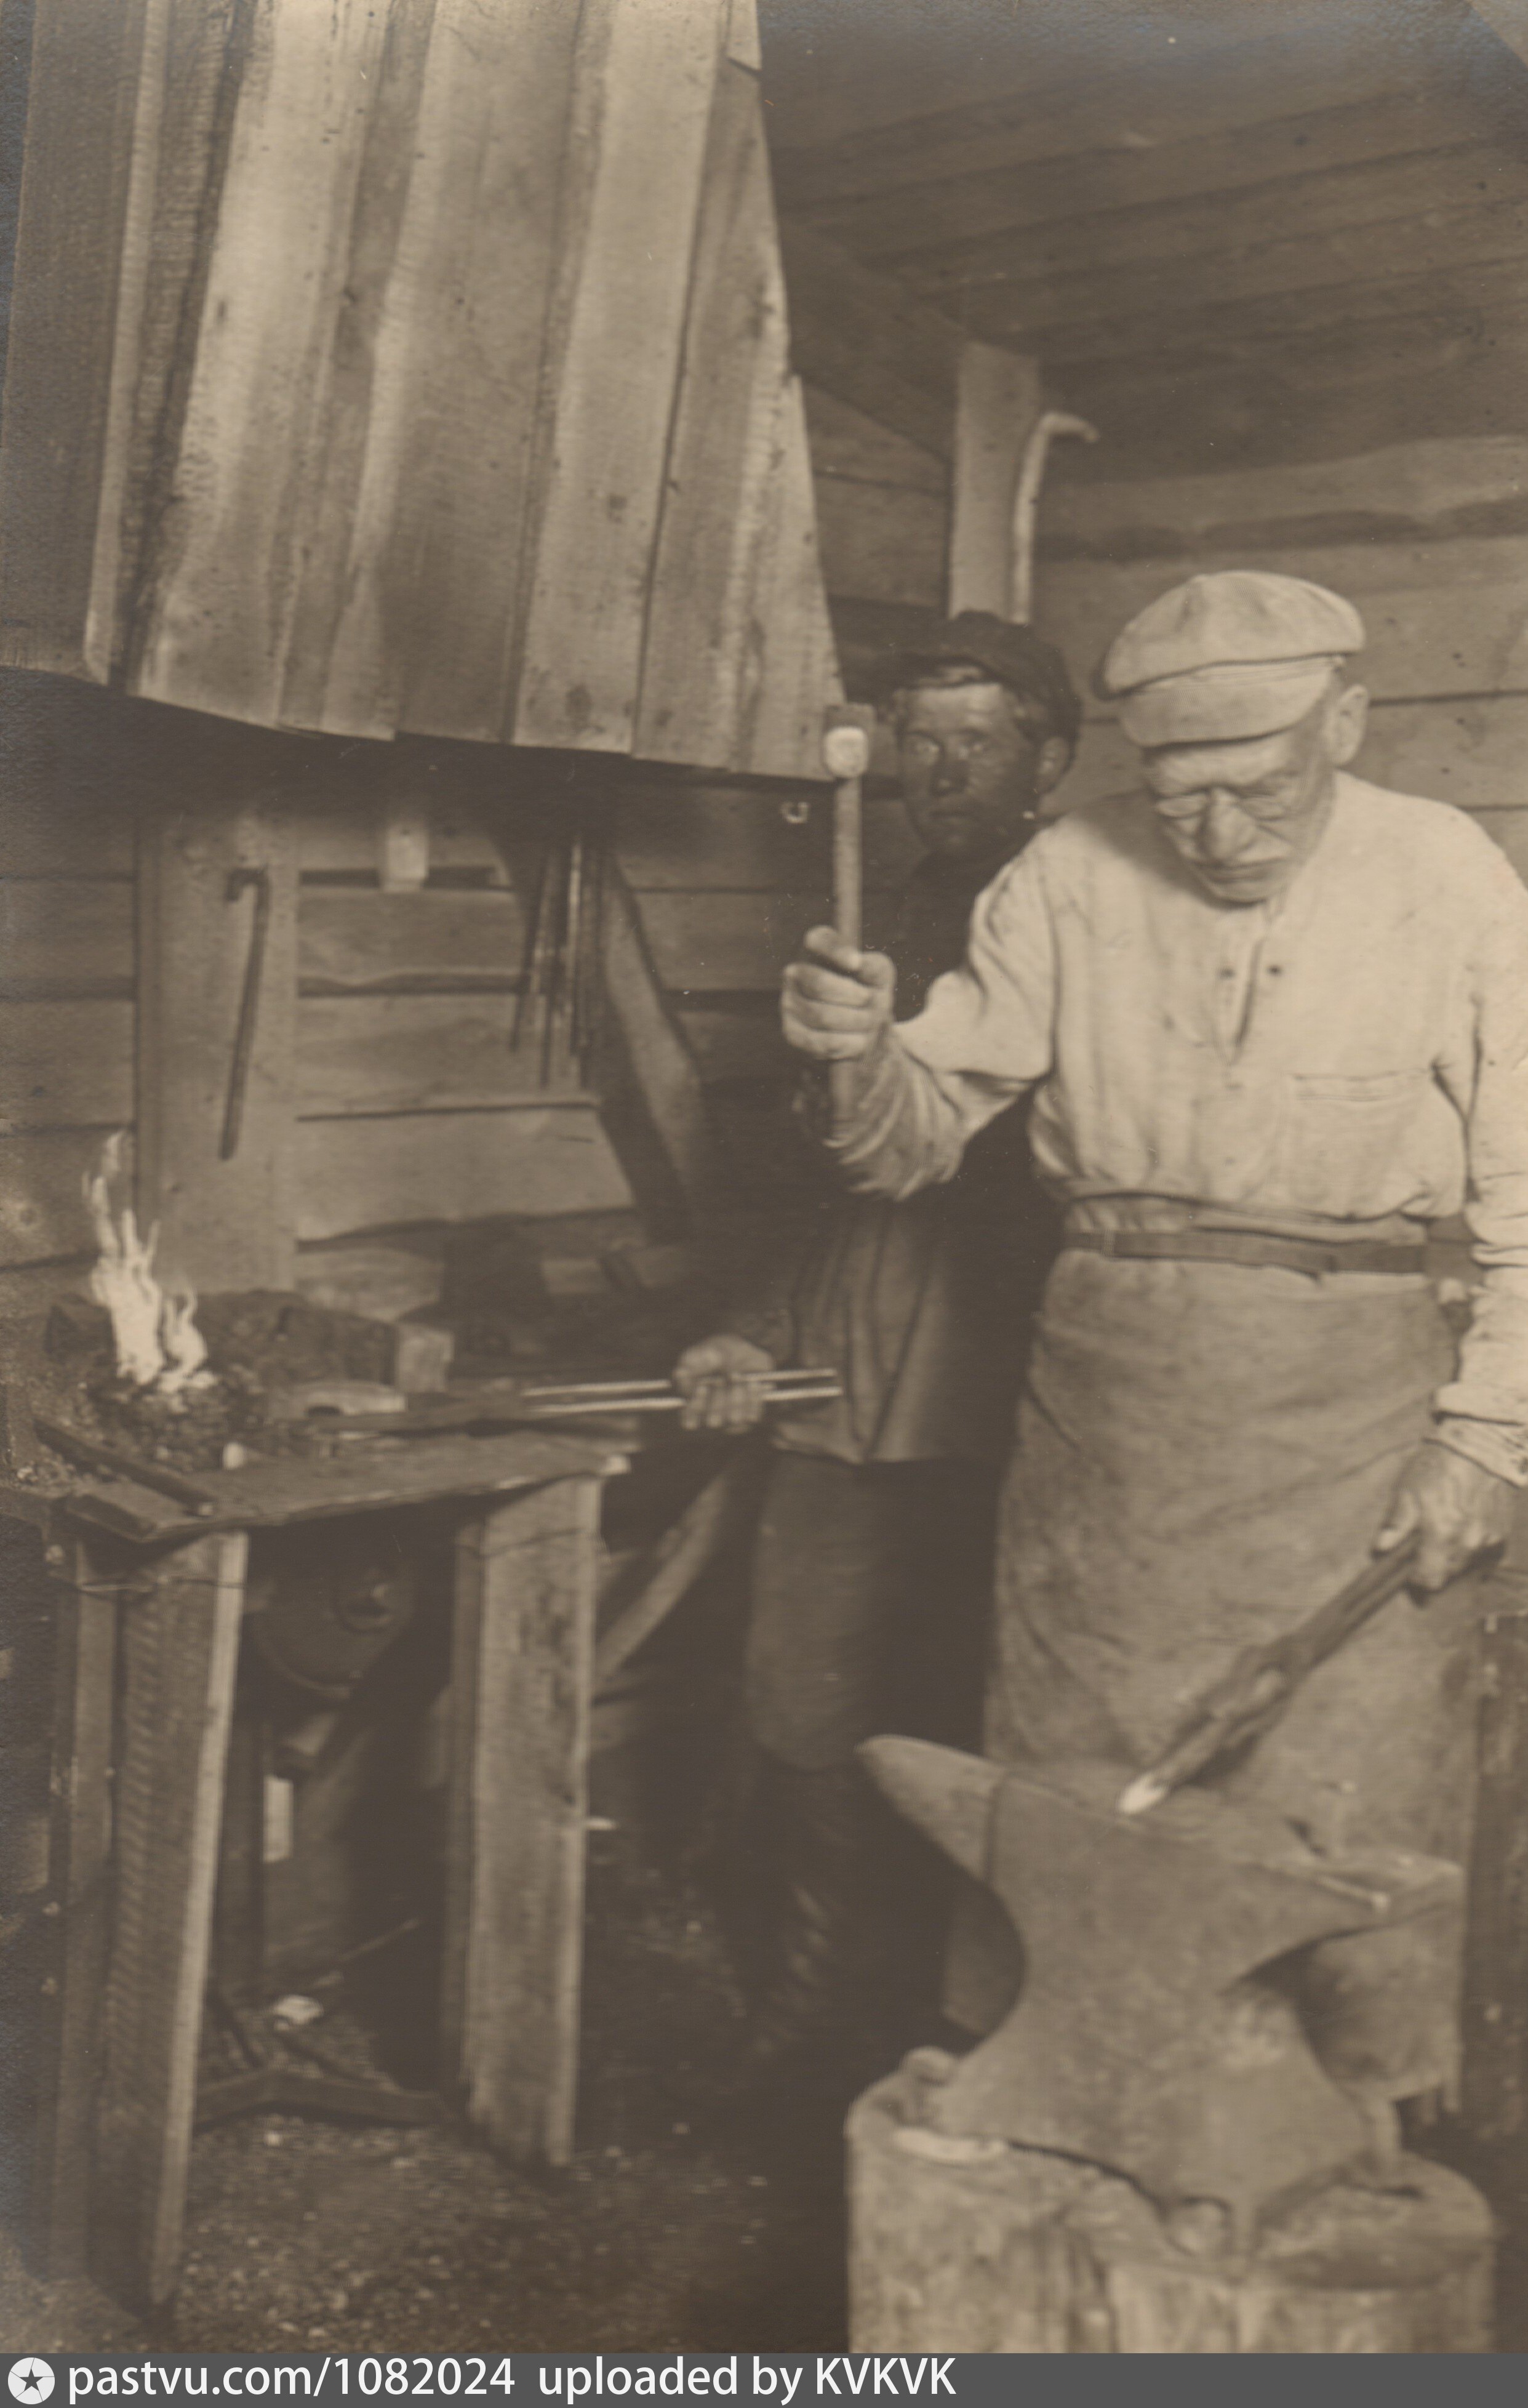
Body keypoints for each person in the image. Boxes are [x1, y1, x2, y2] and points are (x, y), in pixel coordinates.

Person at [778, 569, 1528, 2124]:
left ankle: (1350, 2140)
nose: (1220, 835)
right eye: (1182, 800)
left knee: (1345, 1809)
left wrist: (1484, 1440)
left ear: (1345, 724)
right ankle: (1055, 2120)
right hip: (1109, 1416)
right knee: (1075, 1797)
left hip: (1359, 1411)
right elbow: (911, 1139)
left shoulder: (1448, 877)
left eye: (1261, 794)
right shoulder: (1066, 874)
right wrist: (855, 1062)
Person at [674, 613, 1079, 2076]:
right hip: (846, 1379)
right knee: (802, 1700)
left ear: (1051, 758)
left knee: (977, 1720)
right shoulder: (892, 913)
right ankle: (817, 2021)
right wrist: (743, 1326)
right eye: (919, 740)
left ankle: (961, 2023)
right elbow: (820, 1184)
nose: (940, 770)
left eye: (977, 741)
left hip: (1008, 1393)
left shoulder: (1073, 909)